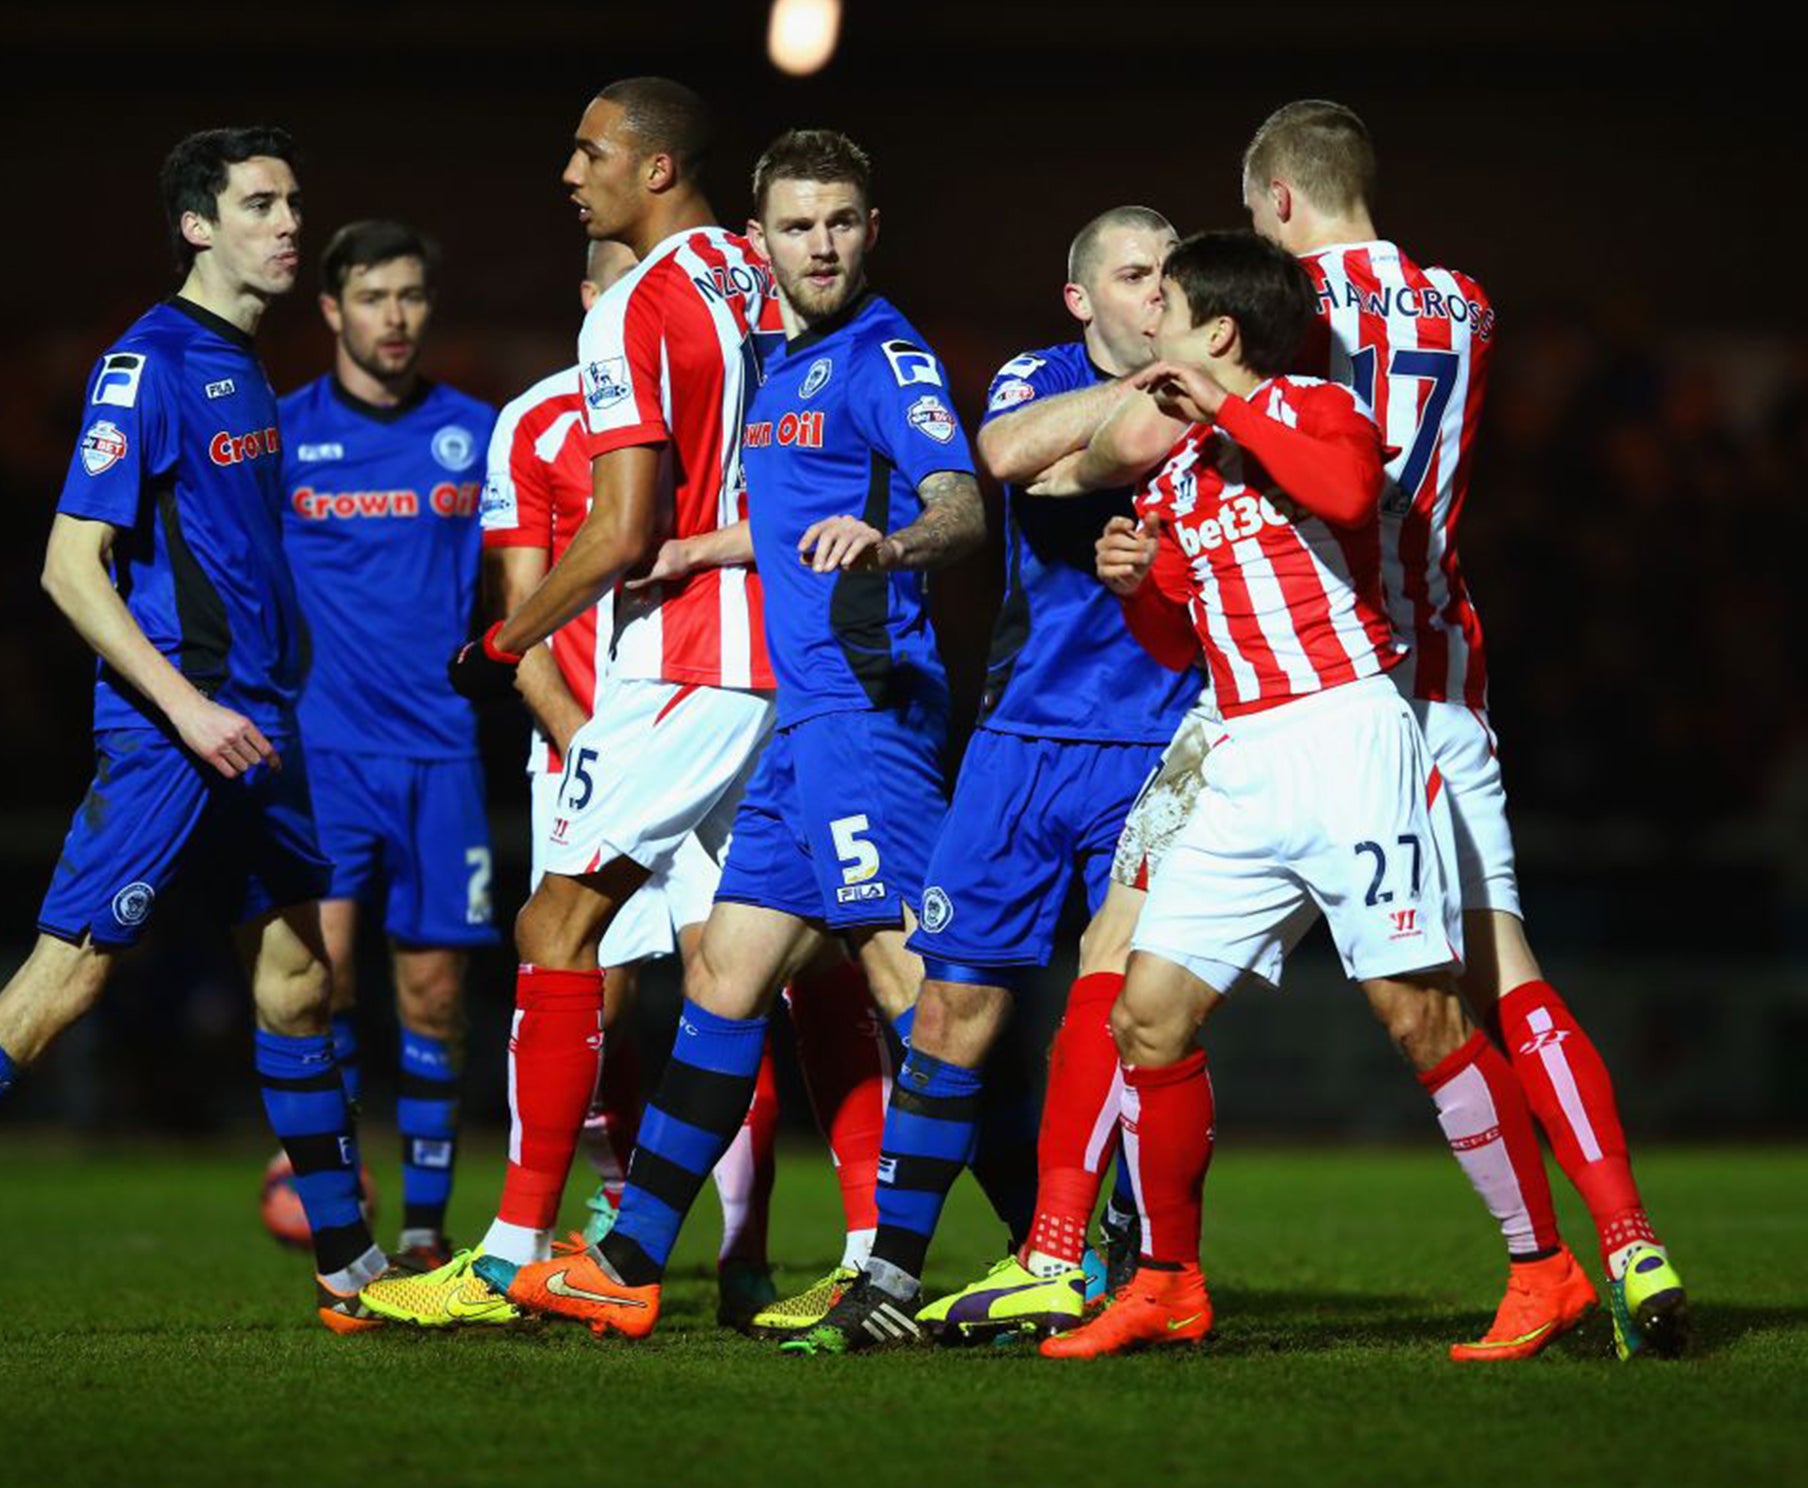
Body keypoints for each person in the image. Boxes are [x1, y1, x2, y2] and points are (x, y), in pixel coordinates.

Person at [0, 126, 390, 1346]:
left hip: (257, 724)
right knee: (65, 979)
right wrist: (187, 710)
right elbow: (68, 569)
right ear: (197, 225)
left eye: (294, 201)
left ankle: (352, 1273)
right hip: (179, 730)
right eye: (260, 204)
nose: (289, 223)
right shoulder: (149, 363)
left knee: (297, 979)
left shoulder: (244, 361)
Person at [1037, 230, 1594, 1363]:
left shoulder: (1317, 414)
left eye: (1171, 310)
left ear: (1218, 333)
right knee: (1145, 1016)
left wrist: (1225, 406)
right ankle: (1166, 1282)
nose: (1151, 326)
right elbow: (1179, 633)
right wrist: (1140, 582)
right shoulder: (1183, 466)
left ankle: (1544, 1269)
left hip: (1346, 739)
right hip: (1242, 757)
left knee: (1416, 1013)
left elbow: (1342, 486)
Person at [501, 126, 991, 1343]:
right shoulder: (781, 359)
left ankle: (995, 1252)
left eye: (839, 223)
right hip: (796, 721)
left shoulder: (888, 357)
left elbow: (959, 504)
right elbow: (782, 517)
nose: (819, 245)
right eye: (797, 226)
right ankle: (625, 1260)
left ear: (870, 231)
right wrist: (698, 547)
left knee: (922, 987)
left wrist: (891, 545)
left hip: (866, 717)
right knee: (723, 976)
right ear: (760, 239)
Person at [1242, 98, 1686, 1360]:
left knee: (1149, 971)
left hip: (1326, 684)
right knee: (1505, 971)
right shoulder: (1466, 307)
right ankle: (1627, 1243)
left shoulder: (1282, 321)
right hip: (1446, 673)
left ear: (1277, 203)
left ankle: (1100, 1252)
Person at [357, 77, 781, 1326]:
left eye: (588, 151)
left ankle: (503, 1258)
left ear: (655, 170)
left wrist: (502, 642)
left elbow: (621, 527)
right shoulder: (765, 273)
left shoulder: (635, 312)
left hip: (688, 657)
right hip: (794, 654)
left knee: (555, 935)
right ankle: (788, 1253)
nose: (567, 171)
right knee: (754, 966)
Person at [872, 208, 1209, 1345]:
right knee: (950, 1005)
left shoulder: (1211, 382)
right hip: (1019, 736)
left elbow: (1076, 467)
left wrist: (1111, 433)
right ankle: (887, 1276)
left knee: (1124, 1016)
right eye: (1131, 274)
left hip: (1164, 743)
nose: (1157, 292)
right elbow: (1012, 455)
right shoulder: (1044, 369)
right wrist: (1150, 396)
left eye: (1168, 272)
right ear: (1081, 298)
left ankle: (1115, 1256)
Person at [273, 219, 500, 1270]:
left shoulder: (476, 433)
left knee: (435, 995)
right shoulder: (278, 439)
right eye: (372, 298)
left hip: (441, 756)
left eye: (409, 296)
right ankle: (325, 1182)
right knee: (315, 984)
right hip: (322, 759)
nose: (394, 318)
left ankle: (421, 1227)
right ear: (330, 310)